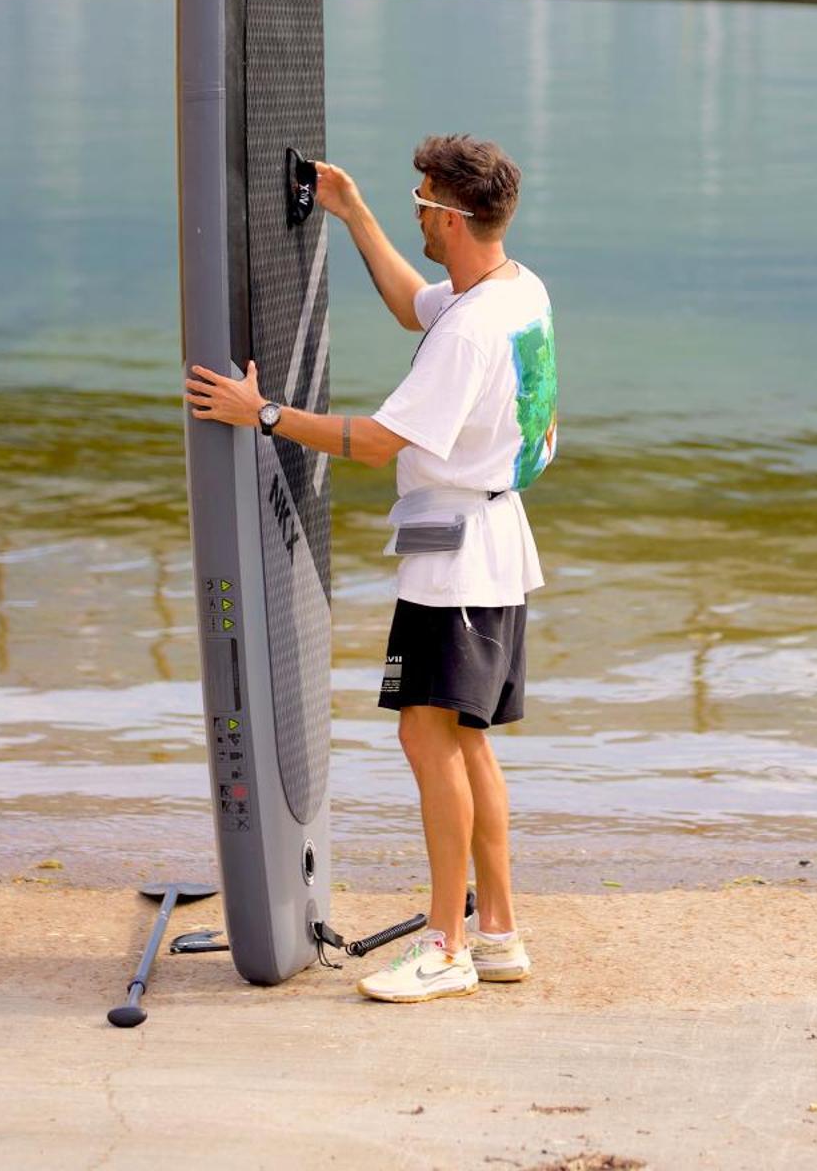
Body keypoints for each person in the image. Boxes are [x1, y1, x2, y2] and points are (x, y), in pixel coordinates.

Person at [185, 132, 558, 1003]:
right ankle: (496, 932)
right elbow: (411, 305)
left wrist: (263, 412)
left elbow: (378, 440)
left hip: (455, 562)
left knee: (425, 736)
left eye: (422, 204)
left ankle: (444, 944)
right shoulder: (513, 288)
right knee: (466, 739)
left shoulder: (468, 335)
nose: (417, 214)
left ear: (454, 216)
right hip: (496, 544)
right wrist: (350, 215)